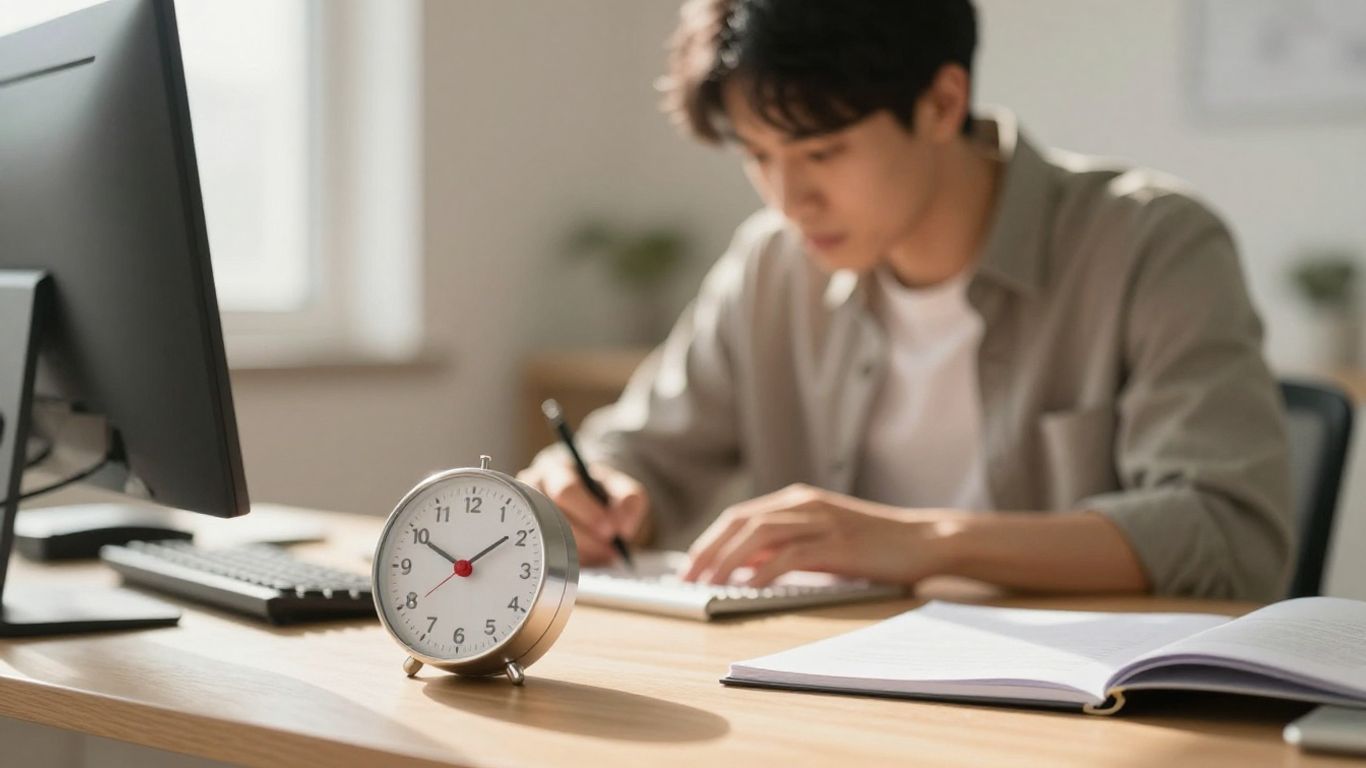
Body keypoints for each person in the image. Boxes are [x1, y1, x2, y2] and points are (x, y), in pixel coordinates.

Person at [519, 0, 1293, 601]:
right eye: (758, 155)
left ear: (941, 103)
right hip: (832, 706)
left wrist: (926, 542)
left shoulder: (1151, 244)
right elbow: (637, 451)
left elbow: (1227, 533)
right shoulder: (771, 265)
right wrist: (591, 491)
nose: (790, 199)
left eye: (822, 152)